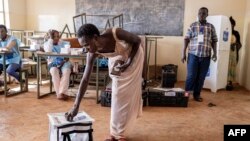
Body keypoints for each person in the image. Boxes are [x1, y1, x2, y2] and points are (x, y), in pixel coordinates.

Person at [65, 24, 144, 141]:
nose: (86, 49)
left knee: (126, 93)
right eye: (84, 46)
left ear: (95, 38)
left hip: (134, 56)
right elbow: (85, 79)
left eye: (87, 44)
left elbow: (138, 40)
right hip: (117, 60)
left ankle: (119, 134)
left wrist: (128, 62)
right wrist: (75, 106)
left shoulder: (115, 33)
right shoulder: (91, 53)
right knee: (117, 94)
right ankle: (115, 133)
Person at [181, 7, 218, 102]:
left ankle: (197, 95)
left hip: (206, 56)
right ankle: (186, 94)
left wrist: (215, 53)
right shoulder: (192, 26)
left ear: (207, 15)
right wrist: (183, 53)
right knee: (191, 76)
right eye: (200, 13)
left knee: (201, 77)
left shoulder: (211, 27)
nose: (201, 15)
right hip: (193, 55)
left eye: (204, 13)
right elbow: (186, 39)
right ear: (198, 14)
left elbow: (214, 41)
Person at [43, 29, 72, 100]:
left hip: (64, 61)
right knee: (54, 71)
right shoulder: (47, 44)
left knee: (66, 71)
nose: (56, 38)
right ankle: (59, 94)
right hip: (52, 63)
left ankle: (62, 92)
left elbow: (68, 53)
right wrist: (50, 39)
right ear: (50, 37)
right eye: (54, 36)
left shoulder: (64, 43)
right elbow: (48, 51)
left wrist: (65, 57)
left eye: (57, 36)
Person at [226, 16, 242, 90]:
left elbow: (239, 44)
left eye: (232, 24)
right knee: (225, 66)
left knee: (231, 67)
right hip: (225, 53)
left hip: (233, 53)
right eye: (230, 24)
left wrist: (234, 44)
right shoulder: (225, 31)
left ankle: (230, 83)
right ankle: (223, 83)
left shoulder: (236, 33)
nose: (231, 26)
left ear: (234, 25)